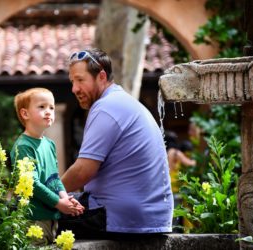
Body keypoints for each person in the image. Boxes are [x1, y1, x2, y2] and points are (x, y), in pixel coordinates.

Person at [58, 48, 174, 239]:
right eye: (72, 82)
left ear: (101, 76)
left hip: (121, 218)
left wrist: (49, 195)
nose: (74, 89)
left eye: (80, 80)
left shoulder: (105, 108)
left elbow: (82, 171)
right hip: (152, 218)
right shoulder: (124, 101)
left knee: (35, 212)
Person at [10, 87, 84, 244]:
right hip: (33, 220)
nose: (49, 111)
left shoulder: (49, 144)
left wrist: (66, 199)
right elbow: (31, 183)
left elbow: (54, 178)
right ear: (25, 114)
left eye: (51, 107)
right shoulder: (23, 146)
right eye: (42, 107)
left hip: (51, 217)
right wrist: (58, 203)